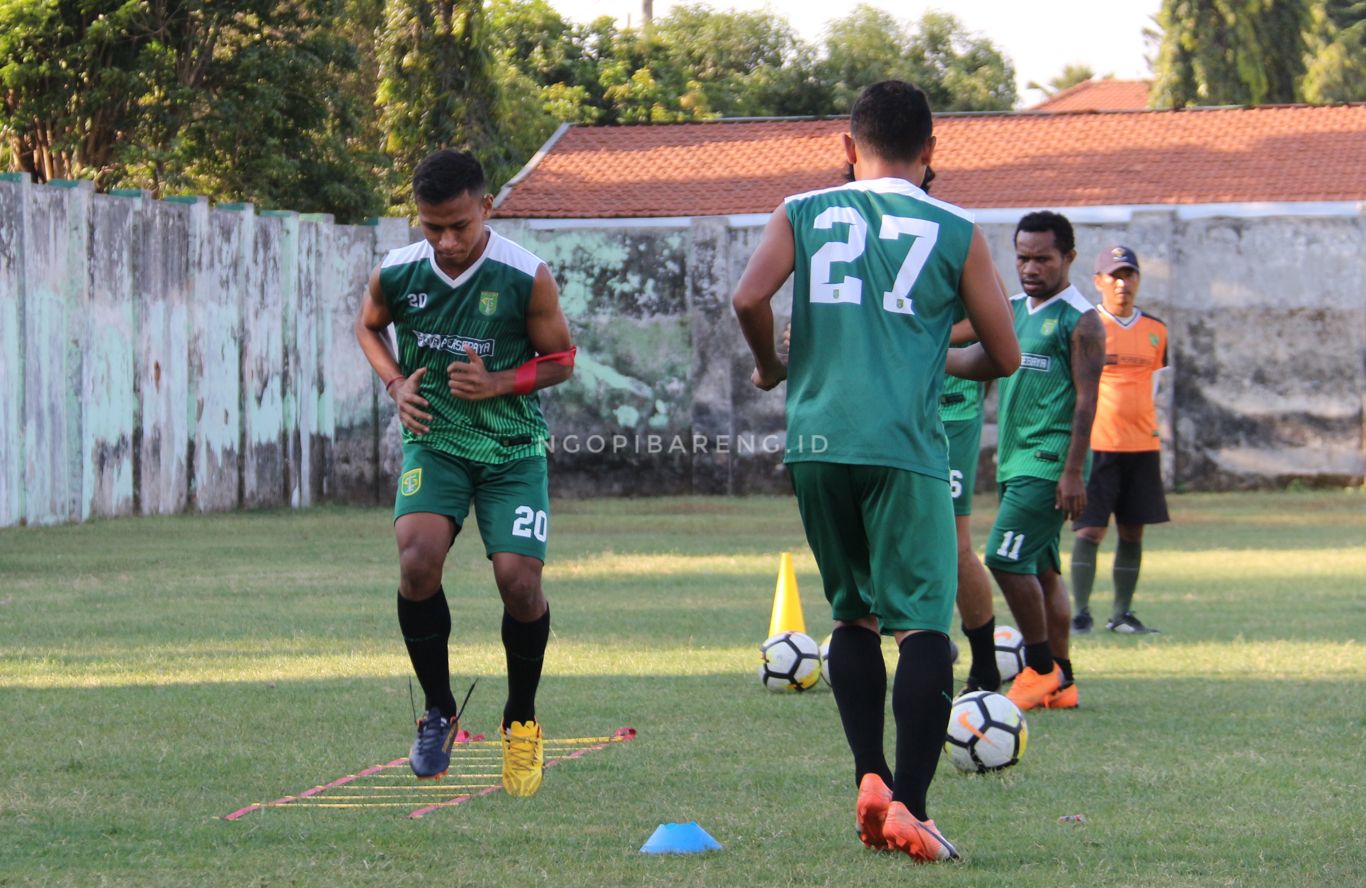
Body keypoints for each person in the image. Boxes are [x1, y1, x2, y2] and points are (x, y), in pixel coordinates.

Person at [732, 80, 1020, 862]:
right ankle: (912, 807)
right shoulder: (956, 227)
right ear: (932, 153)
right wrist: (941, 353)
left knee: (852, 616)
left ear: (847, 147)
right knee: (924, 627)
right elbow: (1005, 353)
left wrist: (769, 368)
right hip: (906, 448)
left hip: (817, 444)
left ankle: (868, 774)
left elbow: (749, 297)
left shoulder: (801, 210)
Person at [354, 149, 575, 796]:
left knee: (519, 583)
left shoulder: (523, 275)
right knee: (416, 560)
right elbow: (368, 328)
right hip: (437, 441)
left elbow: (562, 358)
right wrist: (395, 383)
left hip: (512, 449)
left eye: (459, 225)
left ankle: (522, 718)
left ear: (486, 206)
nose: (447, 242)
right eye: (432, 227)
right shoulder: (397, 273)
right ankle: (438, 709)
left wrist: (500, 380)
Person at [985, 211, 1105, 712]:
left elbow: (1087, 400)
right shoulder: (1010, 309)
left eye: (1042, 258)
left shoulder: (1083, 320)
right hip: (1015, 461)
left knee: (1003, 557)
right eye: (1022, 257)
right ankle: (1065, 680)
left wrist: (1073, 471)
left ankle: (1038, 668)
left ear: (1068, 258)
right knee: (1043, 570)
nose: (1030, 268)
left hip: (1049, 461)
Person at [1070, 246, 1169, 635]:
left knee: (1132, 531)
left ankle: (1122, 615)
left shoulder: (1156, 330)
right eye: (1114, 275)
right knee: (1090, 530)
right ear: (1098, 281)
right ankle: (1080, 612)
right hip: (1097, 446)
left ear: (1138, 280)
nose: (1122, 283)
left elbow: (1156, 385)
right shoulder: (1087, 325)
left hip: (1143, 447)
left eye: (1129, 275)